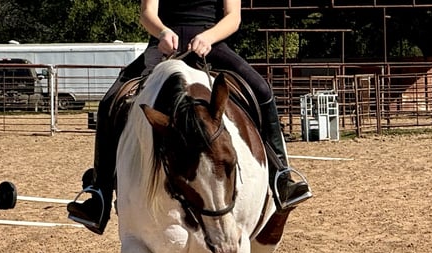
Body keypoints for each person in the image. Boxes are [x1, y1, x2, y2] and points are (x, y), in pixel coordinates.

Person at [67, 0, 311, 235]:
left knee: (262, 90)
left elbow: (233, 17)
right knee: (110, 100)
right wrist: (162, 32)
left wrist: (209, 37)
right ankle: (99, 193)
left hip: (210, 45)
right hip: (163, 46)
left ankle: (281, 175)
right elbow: (147, 12)